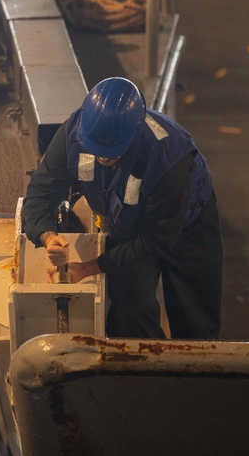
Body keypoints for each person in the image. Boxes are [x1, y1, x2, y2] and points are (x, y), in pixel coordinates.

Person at [21, 77, 223, 340]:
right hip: (126, 225)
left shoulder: (168, 160)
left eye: (111, 152)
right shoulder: (74, 133)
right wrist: (47, 236)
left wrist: (88, 267)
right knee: (130, 316)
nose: (103, 157)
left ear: (135, 134)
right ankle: (144, 374)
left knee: (196, 322)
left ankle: (192, 375)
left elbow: (154, 242)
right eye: (96, 150)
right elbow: (39, 194)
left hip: (189, 228)